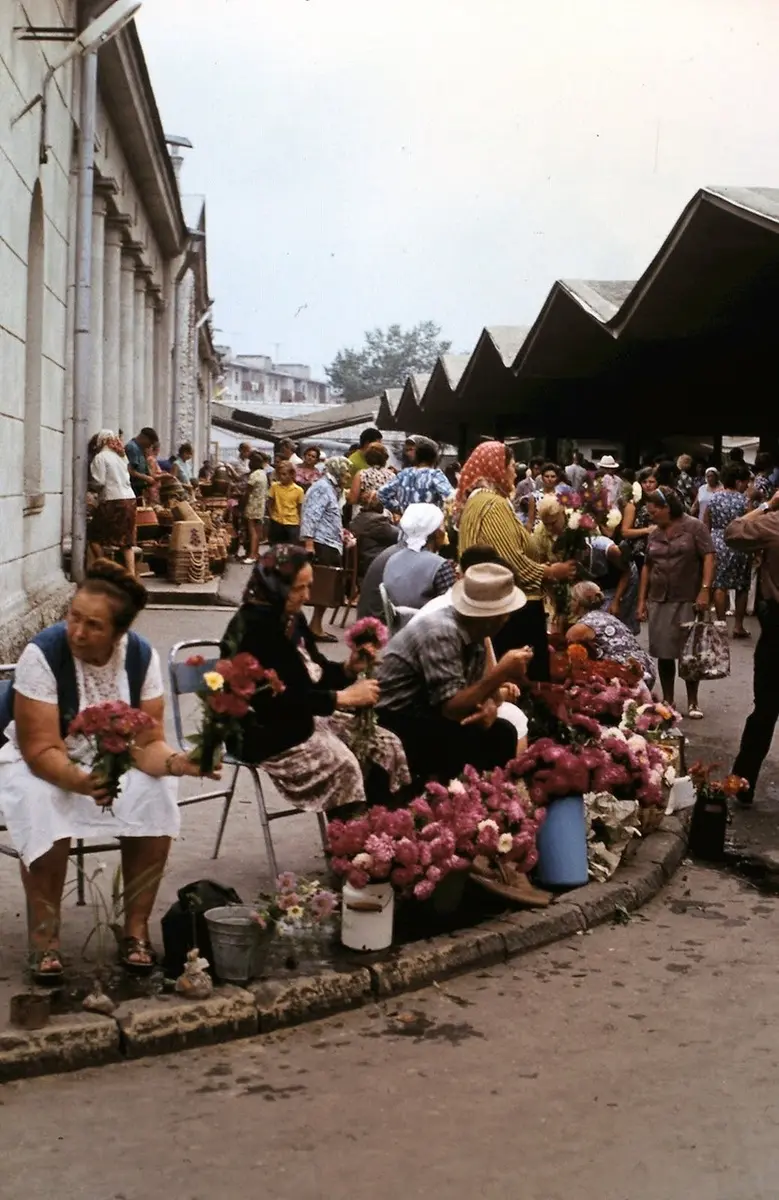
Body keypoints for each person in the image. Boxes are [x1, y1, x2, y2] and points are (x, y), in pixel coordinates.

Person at [0, 560, 211, 981]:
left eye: (93, 625)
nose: (77, 632)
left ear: (118, 633)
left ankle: (134, 929)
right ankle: (45, 938)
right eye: (74, 617)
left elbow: (146, 744)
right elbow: (40, 749)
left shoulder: (140, 656)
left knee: (157, 790)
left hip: (107, 757)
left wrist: (178, 762)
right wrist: (83, 782)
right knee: (42, 798)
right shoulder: (43, 654)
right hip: (37, 758)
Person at [220, 546, 409, 810]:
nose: (306, 596)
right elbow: (275, 701)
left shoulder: (291, 618)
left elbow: (313, 672)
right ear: (276, 586)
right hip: (264, 732)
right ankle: (350, 833)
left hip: (301, 719)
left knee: (386, 746)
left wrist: (348, 669)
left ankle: (385, 825)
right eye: (298, 588)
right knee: (344, 767)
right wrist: (341, 699)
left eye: (308, 586)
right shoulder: (253, 629)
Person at [376, 563, 533, 781]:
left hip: (425, 711)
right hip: (393, 719)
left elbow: (481, 693)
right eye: (505, 614)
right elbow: (452, 707)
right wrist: (502, 671)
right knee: (491, 737)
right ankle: (462, 795)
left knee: (502, 732)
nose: (507, 619)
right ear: (495, 617)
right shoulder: (442, 631)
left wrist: (488, 706)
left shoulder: (475, 633)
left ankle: (487, 795)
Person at [455, 441, 576, 681]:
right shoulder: (493, 504)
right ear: (497, 468)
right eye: (510, 465)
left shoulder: (479, 500)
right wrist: (550, 572)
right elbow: (508, 562)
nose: (514, 472)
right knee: (524, 681)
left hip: (493, 601)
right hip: (513, 607)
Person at [637, 487, 715, 717]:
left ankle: (693, 701)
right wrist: (641, 601)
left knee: (689, 653)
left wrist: (705, 590)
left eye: (654, 512)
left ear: (667, 508)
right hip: (659, 598)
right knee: (664, 652)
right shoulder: (654, 533)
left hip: (687, 597)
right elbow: (647, 566)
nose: (651, 517)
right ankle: (669, 699)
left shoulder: (695, 527)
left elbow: (709, 556)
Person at [725, 489, 779, 805]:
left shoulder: (773, 523)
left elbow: (733, 532)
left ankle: (743, 783)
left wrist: (767, 505)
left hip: (776, 632)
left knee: (765, 711)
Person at [301, 456, 351, 642]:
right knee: (322, 587)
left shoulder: (331, 488)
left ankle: (315, 626)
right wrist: (309, 543)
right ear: (337, 472)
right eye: (346, 472)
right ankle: (314, 628)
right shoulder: (322, 488)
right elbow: (310, 516)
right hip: (322, 544)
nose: (348, 475)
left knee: (325, 588)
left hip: (329, 543)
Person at [567, 580, 654, 687]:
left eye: (572, 599)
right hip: (646, 666)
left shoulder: (582, 626)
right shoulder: (606, 616)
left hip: (630, 673)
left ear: (578, 602)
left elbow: (565, 647)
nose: (569, 603)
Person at [705, 462, 752, 637]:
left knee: (720, 584)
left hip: (718, 541)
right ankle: (738, 626)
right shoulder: (744, 500)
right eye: (746, 482)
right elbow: (751, 523)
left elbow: (706, 523)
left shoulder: (714, 498)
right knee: (742, 586)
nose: (747, 485)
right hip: (740, 542)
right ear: (738, 481)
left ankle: (721, 623)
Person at [382, 504, 457, 611]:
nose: (444, 532)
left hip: (400, 621)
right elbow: (452, 608)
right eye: (442, 527)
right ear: (436, 532)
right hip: (430, 621)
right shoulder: (439, 565)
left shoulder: (392, 560)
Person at [88, 430, 137, 575]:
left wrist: (88, 486)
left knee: (94, 537)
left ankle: (105, 568)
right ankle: (131, 574)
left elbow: (99, 481)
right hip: (130, 500)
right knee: (126, 542)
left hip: (112, 500)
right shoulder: (121, 458)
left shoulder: (100, 458)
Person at [377, 438, 454, 514]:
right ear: (434, 458)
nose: (408, 454)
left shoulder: (404, 474)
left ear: (417, 456)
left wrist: (400, 509)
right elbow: (451, 497)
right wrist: (441, 513)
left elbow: (382, 494)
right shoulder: (435, 475)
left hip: (406, 520)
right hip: (429, 520)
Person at [350, 498, 399, 581]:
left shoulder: (357, 519)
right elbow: (399, 535)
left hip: (362, 562)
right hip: (374, 562)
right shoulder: (378, 522)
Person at [621, 466, 658, 567]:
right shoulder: (633, 504)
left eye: (651, 482)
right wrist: (646, 530)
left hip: (659, 551)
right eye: (644, 482)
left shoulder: (661, 503)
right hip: (638, 553)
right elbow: (625, 532)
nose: (648, 485)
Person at [348, 444, 395, 510]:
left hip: (364, 513)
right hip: (385, 513)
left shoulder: (361, 474)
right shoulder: (392, 476)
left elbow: (352, 499)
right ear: (385, 458)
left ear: (367, 457)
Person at [268, 461, 304, 545]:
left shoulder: (298, 490)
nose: (281, 477)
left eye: (284, 474)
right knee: (276, 546)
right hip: (277, 521)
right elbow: (270, 503)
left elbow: (300, 508)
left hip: (292, 522)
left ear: (291, 475)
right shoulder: (274, 487)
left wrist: (300, 522)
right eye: (279, 474)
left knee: (291, 547)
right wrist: (272, 515)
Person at [526, 463, 571, 528]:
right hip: (538, 530)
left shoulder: (561, 496)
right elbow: (530, 520)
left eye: (553, 476)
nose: (550, 479)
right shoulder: (534, 496)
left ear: (557, 478)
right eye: (547, 476)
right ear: (542, 478)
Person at [244, 451, 270, 564]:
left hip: (252, 506)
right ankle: (256, 553)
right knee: (258, 531)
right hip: (261, 506)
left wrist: (242, 505)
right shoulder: (263, 473)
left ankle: (252, 555)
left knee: (252, 531)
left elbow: (248, 492)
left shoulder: (254, 475)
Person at [124, 427, 159, 500]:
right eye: (150, 443)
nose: (150, 446)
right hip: (133, 487)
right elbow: (130, 470)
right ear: (144, 438)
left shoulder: (140, 449)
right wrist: (146, 478)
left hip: (140, 488)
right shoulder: (132, 448)